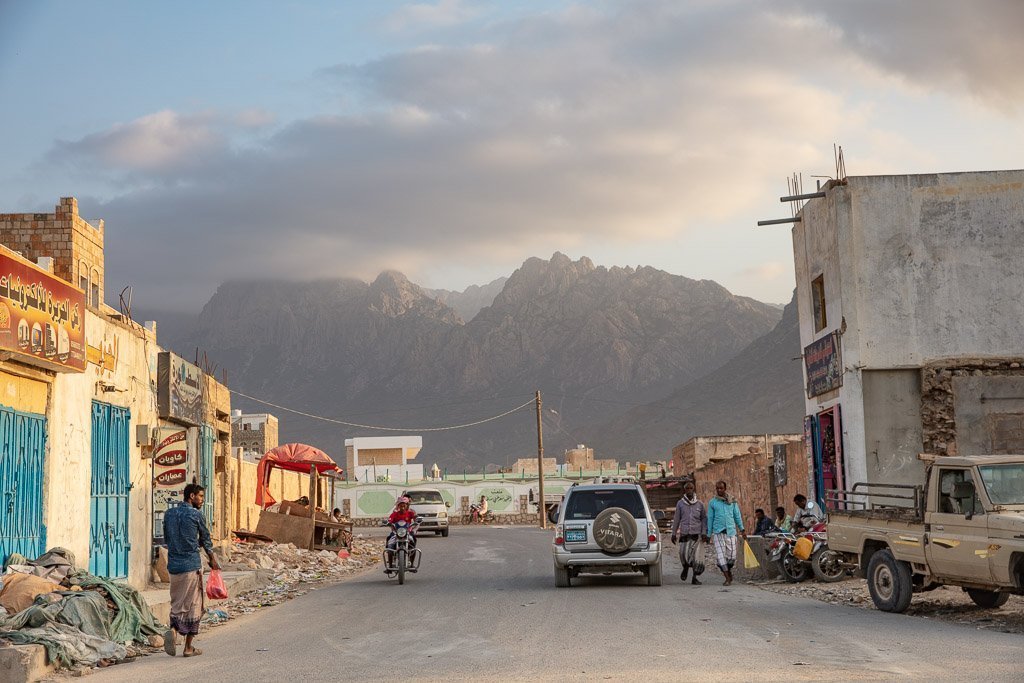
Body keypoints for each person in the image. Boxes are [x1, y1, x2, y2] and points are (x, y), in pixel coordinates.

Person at [163, 483, 219, 658]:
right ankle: (188, 647)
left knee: (177, 602)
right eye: (200, 496)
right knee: (195, 604)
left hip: (173, 566)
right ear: (192, 496)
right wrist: (212, 559)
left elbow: (167, 538)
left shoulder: (169, 514)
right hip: (191, 565)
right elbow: (206, 539)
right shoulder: (196, 515)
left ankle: (173, 630)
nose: (202, 500)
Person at [706, 480, 745, 586]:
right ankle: (727, 578)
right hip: (718, 533)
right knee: (721, 556)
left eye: (721, 488)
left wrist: (742, 529)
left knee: (732, 556)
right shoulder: (712, 502)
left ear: (725, 489)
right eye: (717, 488)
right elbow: (710, 519)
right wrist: (708, 534)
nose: (719, 490)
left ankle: (727, 569)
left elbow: (737, 516)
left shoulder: (732, 501)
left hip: (731, 532)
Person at [670, 480, 706, 585]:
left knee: (695, 557)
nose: (689, 490)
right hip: (684, 534)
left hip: (696, 534)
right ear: (684, 490)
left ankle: (694, 578)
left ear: (694, 489)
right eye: (687, 488)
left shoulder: (700, 504)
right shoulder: (680, 504)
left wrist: (704, 533)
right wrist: (673, 533)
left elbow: (704, 519)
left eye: (691, 488)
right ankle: (685, 567)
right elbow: (677, 519)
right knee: (683, 554)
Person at [385, 496, 418, 568]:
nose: (402, 507)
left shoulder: (410, 513)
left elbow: (415, 517)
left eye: (404, 506)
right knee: (389, 542)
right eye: (401, 506)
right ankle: (390, 566)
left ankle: (412, 564)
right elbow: (390, 520)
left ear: (406, 506)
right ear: (398, 506)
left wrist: (417, 519)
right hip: (396, 533)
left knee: (413, 542)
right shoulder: (394, 514)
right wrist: (388, 522)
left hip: (407, 532)